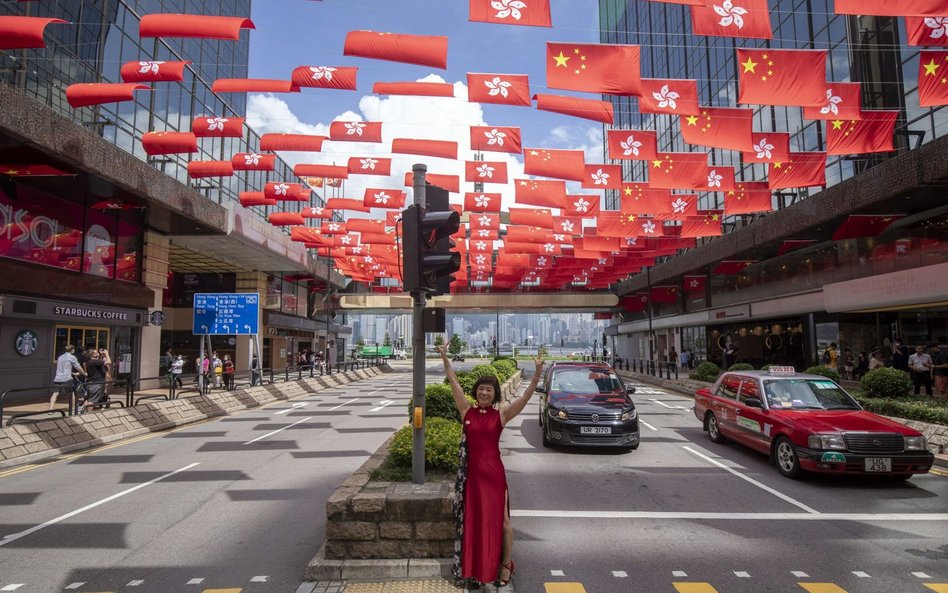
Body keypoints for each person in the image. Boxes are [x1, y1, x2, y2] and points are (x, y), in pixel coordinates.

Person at [439, 343, 544, 589]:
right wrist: (445, 357)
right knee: (475, 522)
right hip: (473, 477)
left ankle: (505, 565)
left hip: (494, 476)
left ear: (495, 394)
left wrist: (538, 372)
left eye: (489, 390)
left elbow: (526, 396)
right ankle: (476, 570)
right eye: (481, 389)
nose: (484, 393)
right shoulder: (466, 411)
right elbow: (453, 382)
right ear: (476, 392)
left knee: (503, 522)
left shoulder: (501, 415)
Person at [52, 345, 85, 412]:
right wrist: (84, 373)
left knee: (55, 393)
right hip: (67, 378)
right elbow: (78, 366)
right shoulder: (72, 357)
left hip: (58, 378)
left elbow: (63, 368)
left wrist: (73, 373)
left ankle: (50, 408)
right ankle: (73, 408)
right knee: (71, 393)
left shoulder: (60, 357)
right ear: (72, 350)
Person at [81, 349, 110, 413]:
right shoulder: (94, 362)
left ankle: (83, 413)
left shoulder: (89, 362)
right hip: (96, 383)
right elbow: (109, 362)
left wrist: (102, 355)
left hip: (90, 383)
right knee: (92, 401)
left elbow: (101, 363)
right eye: (96, 352)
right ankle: (88, 414)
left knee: (88, 399)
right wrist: (107, 354)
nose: (98, 353)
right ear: (92, 355)